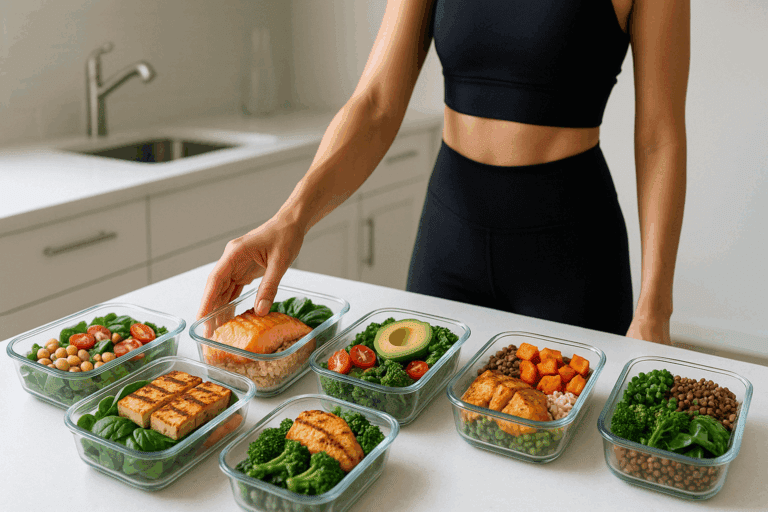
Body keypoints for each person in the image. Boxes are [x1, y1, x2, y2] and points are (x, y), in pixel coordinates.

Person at [197, 0, 689, 345]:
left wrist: (655, 308)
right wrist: (290, 218)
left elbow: (659, 137)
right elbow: (374, 107)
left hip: (570, 252)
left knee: (567, 466)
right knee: (426, 443)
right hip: (450, 239)